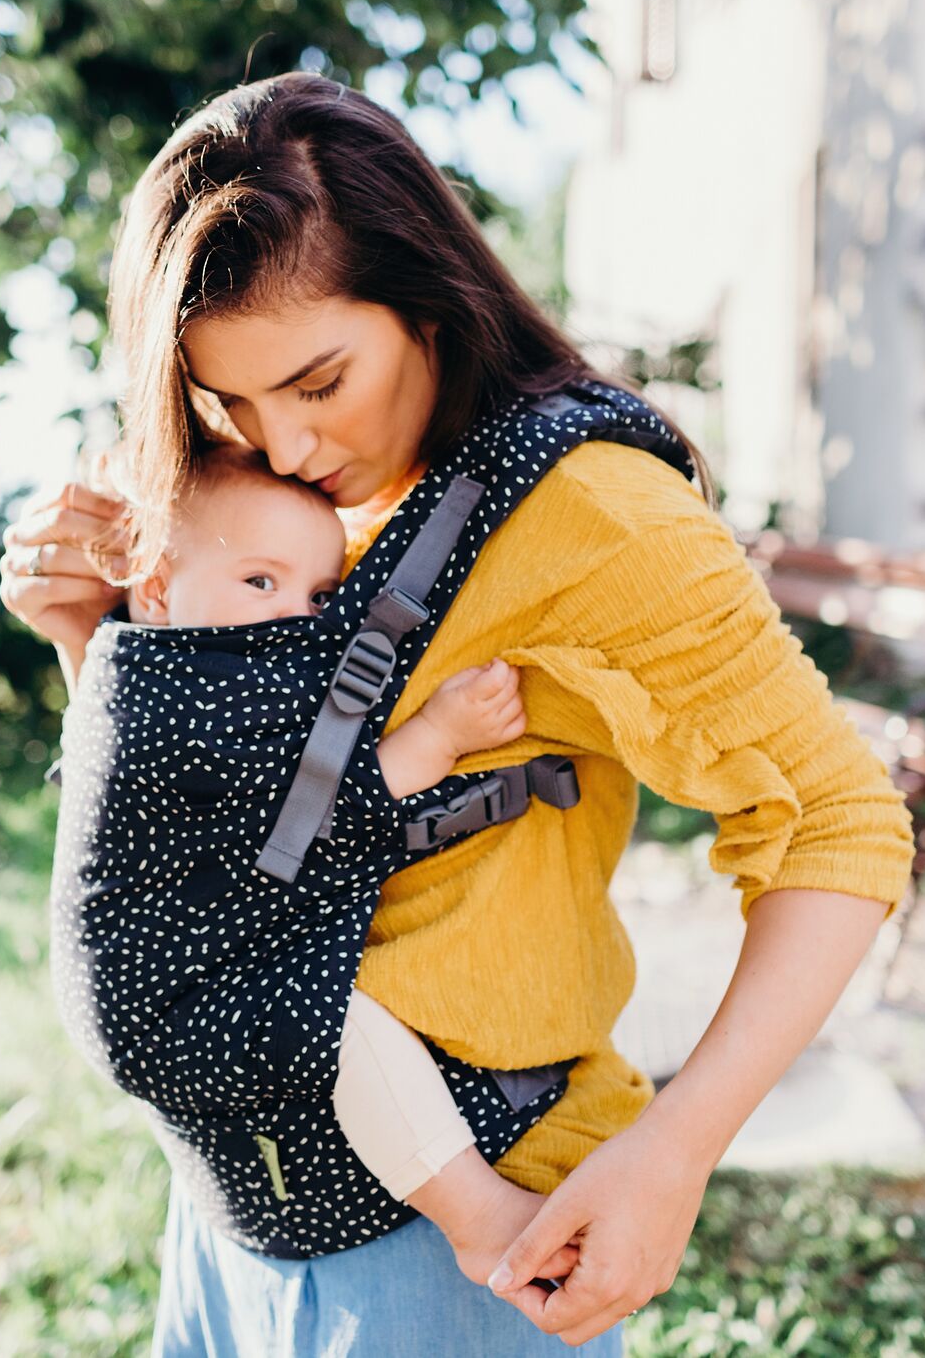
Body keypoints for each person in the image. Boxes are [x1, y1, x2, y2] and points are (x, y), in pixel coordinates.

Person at [1, 71, 914, 1354]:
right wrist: (87, 646)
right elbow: (227, 830)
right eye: (231, 402)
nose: (284, 446)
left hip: (451, 1243)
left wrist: (676, 1151)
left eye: (317, 381)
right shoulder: (288, 504)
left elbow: (837, 823)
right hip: (235, 1207)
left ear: (426, 299)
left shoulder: (594, 511)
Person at [121, 442, 588, 1285]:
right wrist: (438, 737)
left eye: (321, 594)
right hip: (171, 993)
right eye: (260, 582)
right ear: (156, 590)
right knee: (341, 1022)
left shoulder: (194, 667)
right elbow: (304, 818)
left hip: (185, 983)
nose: (299, 618)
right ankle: (477, 1217)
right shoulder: (183, 704)